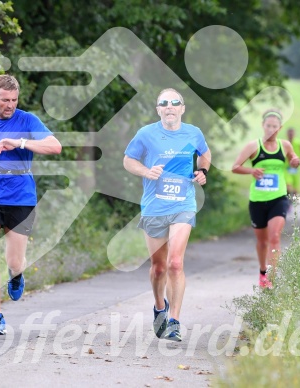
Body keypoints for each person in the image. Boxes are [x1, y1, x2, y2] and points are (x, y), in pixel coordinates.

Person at [123, 88, 211, 342]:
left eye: (175, 103)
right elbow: (128, 160)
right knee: (159, 267)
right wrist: (145, 171)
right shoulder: (146, 134)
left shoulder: (193, 133)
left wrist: (203, 171)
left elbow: (205, 154)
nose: (170, 106)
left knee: (175, 263)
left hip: (183, 204)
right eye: (164, 103)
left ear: (182, 108)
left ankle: (174, 320)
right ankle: (159, 307)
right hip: (154, 207)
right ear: (158, 109)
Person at [0, 74, 62, 335]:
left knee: (14, 261)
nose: (10, 105)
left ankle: (16, 275)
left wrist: (20, 142)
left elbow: (55, 147)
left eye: (14, 100)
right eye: (5, 100)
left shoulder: (27, 120)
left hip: (21, 197)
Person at [231, 109, 300, 289]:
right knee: (262, 241)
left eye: (274, 127)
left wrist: (295, 161)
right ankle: (263, 272)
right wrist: (251, 171)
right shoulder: (253, 146)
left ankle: (272, 278)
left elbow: (294, 159)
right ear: (263, 126)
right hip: (257, 200)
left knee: (275, 236)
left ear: (280, 128)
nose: (271, 129)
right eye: (268, 126)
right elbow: (235, 167)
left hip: (278, 197)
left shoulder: (285, 145)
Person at [285, 127, 300, 200]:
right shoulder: (285, 143)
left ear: (294, 134)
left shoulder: (299, 143)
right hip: (286, 168)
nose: (290, 135)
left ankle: (294, 200)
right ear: (287, 134)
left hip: (296, 168)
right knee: (287, 184)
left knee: (295, 186)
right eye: (289, 133)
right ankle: (287, 199)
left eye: (292, 133)